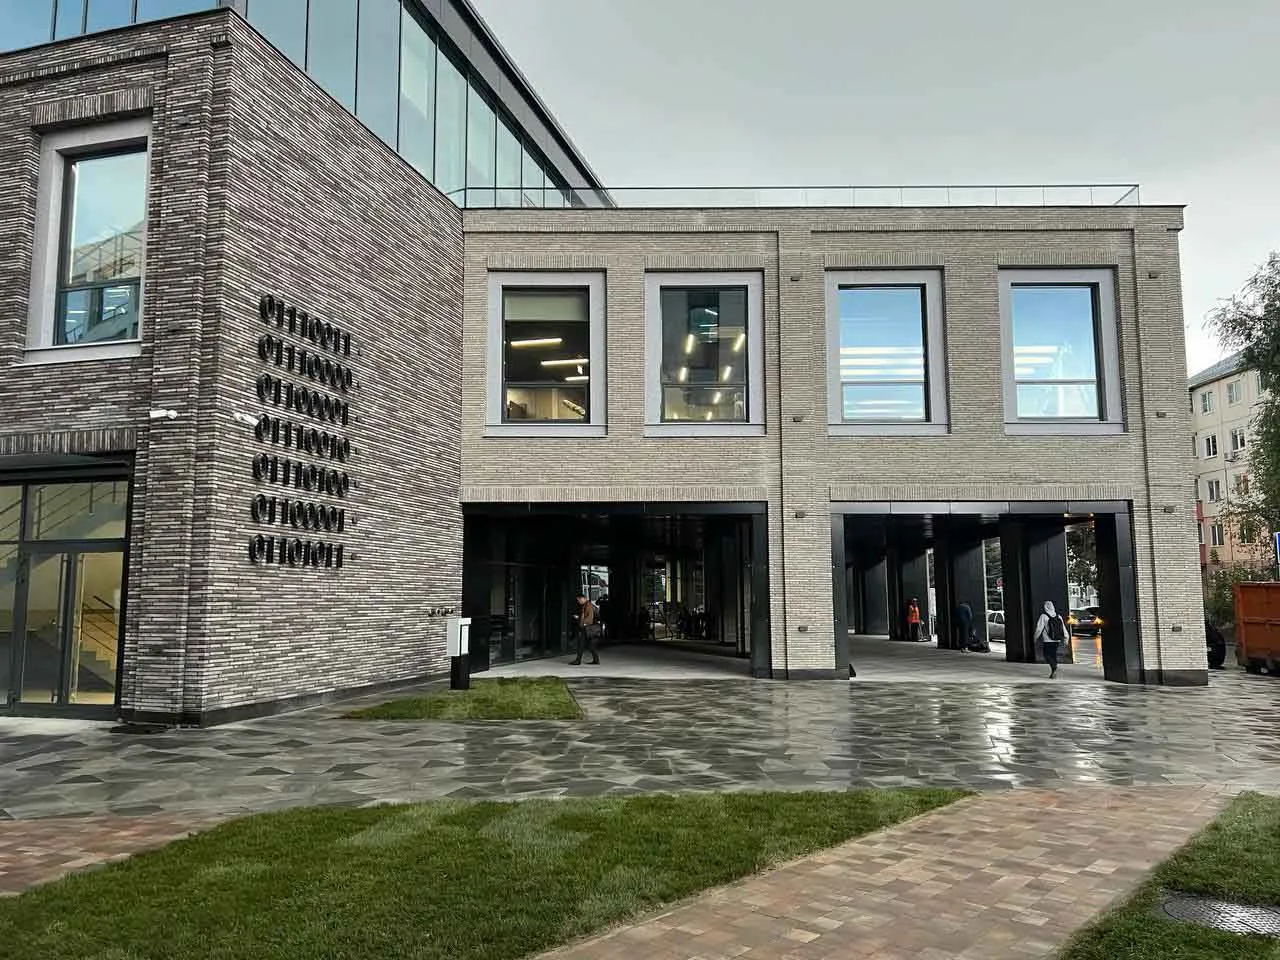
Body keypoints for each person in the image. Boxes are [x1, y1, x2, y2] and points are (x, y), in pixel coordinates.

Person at [1033, 601, 1069, 678]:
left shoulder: (1043, 616)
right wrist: (1066, 638)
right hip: (1057, 640)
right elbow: (1063, 629)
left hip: (1047, 640)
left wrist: (1035, 638)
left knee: (1046, 655)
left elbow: (1039, 629)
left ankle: (1054, 667)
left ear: (1045, 607)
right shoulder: (1058, 616)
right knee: (1053, 655)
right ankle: (1053, 671)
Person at [570, 592, 600, 665]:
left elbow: (589, 618)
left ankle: (578, 660)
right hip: (590, 628)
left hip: (588, 628)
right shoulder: (586, 605)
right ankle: (596, 660)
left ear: (583, 598)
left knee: (581, 644)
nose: (578, 602)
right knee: (591, 645)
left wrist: (583, 623)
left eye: (578, 600)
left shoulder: (588, 606)